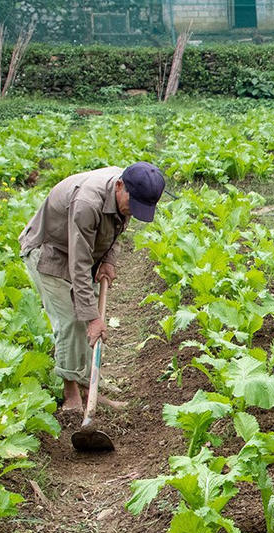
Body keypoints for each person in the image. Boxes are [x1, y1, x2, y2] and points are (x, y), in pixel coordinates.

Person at [19, 162, 166, 412]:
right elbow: (79, 263)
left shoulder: (126, 190)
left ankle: (90, 389)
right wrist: (92, 317)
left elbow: (116, 228)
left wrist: (108, 260)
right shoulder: (87, 202)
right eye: (133, 206)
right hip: (50, 252)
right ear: (120, 186)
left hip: (80, 252)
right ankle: (71, 395)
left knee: (88, 321)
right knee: (73, 321)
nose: (133, 212)